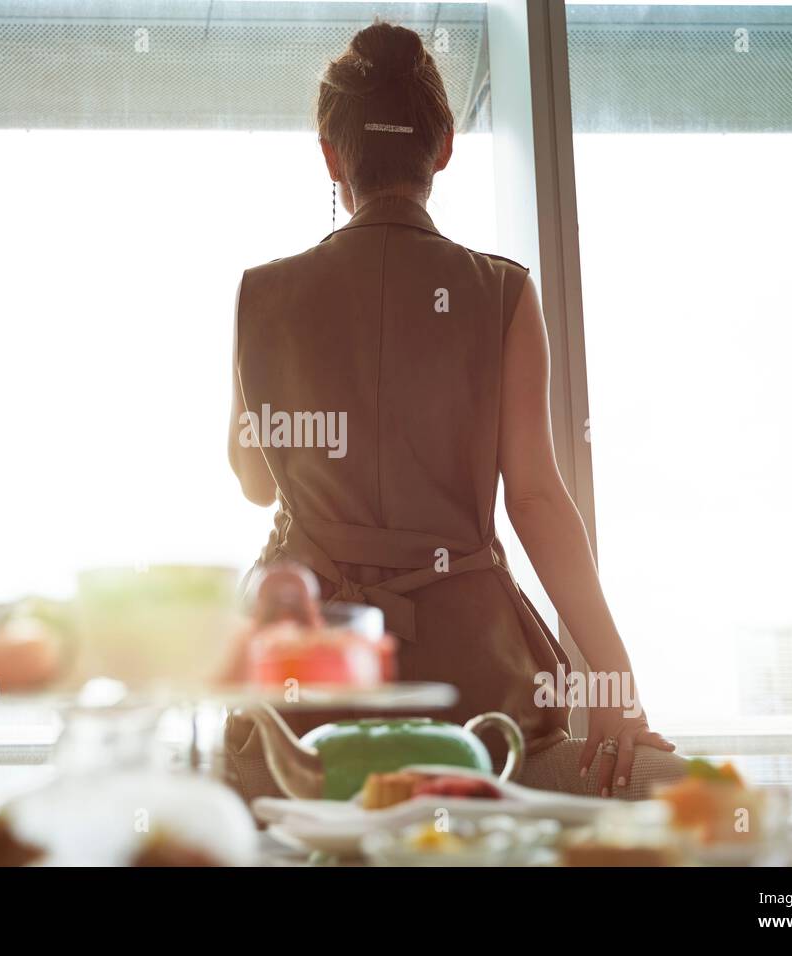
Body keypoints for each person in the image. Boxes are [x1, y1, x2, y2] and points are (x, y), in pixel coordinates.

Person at [225, 21, 684, 800]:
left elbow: (254, 482)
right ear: (442, 147)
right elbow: (535, 497)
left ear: (332, 157)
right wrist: (612, 677)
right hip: (473, 686)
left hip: (305, 677)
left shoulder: (261, 294)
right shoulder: (501, 293)